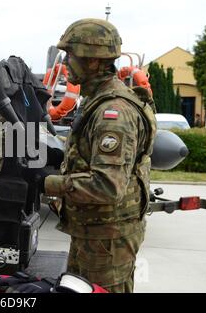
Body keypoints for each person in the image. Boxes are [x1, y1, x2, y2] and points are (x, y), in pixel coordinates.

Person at [38, 18, 157, 293]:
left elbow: (106, 186)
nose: (66, 62)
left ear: (93, 61)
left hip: (107, 238)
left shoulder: (112, 113)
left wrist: (45, 182)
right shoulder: (97, 100)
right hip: (95, 231)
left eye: (71, 55)